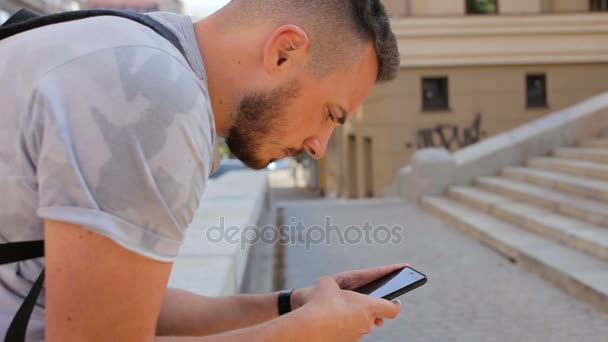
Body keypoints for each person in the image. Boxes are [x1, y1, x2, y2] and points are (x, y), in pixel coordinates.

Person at [0, 0, 403, 340]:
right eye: (330, 115)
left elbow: (124, 304)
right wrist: (301, 333)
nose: (319, 146)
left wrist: (291, 305)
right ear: (284, 51)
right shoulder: (155, 98)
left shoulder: (139, 47)